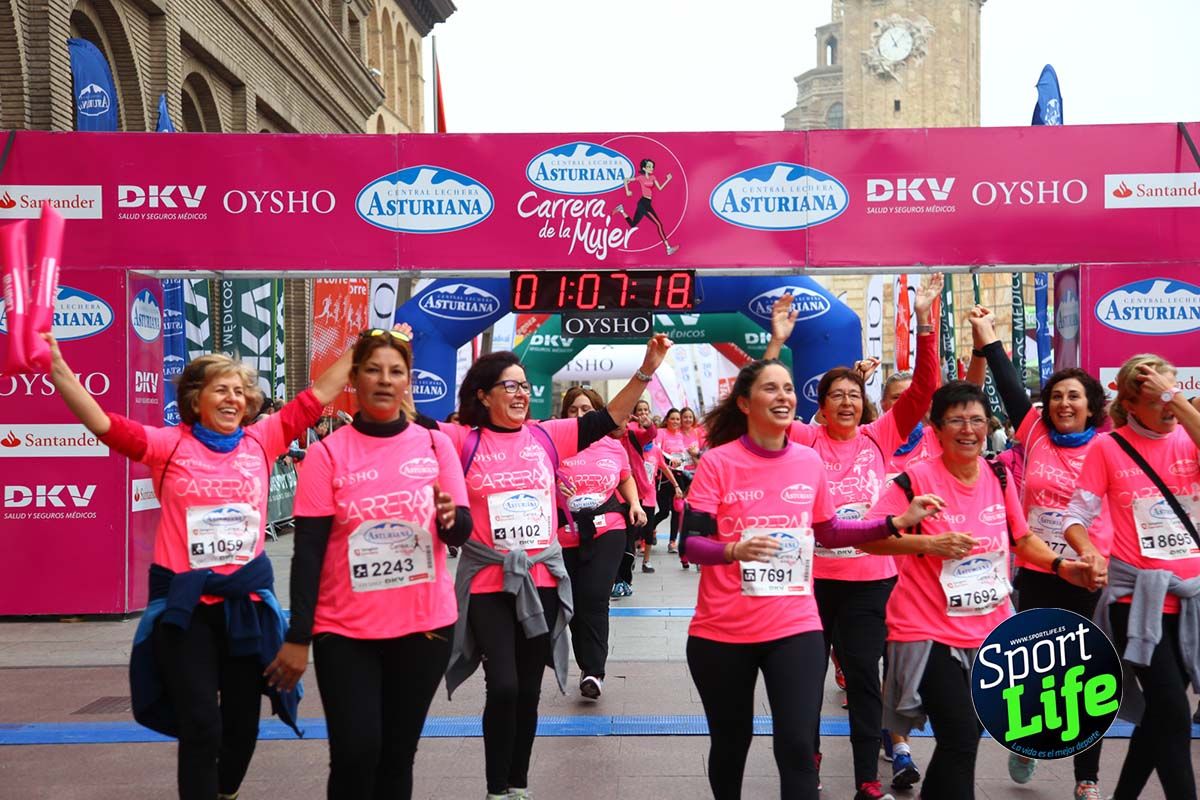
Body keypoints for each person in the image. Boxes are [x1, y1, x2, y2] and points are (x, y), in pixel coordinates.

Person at [41, 331, 351, 800]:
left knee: (242, 729)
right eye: (221, 388)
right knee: (202, 725)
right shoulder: (168, 446)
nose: (234, 398)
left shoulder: (261, 440)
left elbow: (319, 395)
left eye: (240, 390)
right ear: (195, 398)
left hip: (245, 605)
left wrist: (368, 345)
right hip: (186, 611)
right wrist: (57, 366)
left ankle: (225, 792)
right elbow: (102, 423)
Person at [679, 358, 944, 800]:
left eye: (787, 388)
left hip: (794, 624)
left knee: (798, 744)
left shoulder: (807, 461)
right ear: (745, 403)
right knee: (731, 742)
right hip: (722, 629)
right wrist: (732, 550)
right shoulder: (717, 463)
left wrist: (895, 522)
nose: (783, 396)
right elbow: (690, 544)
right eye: (771, 389)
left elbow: (832, 530)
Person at [440, 335, 673, 800]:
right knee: (502, 685)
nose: (522, 393)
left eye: (525, 385)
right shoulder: (460, 440)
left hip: (542, 579)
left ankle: (516, 785)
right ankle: (493, 787)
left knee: (527, 689)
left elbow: (611, 418)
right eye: (510, 386)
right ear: (483, 395)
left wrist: (647, 368)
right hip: (489, 579)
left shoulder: (548, 434)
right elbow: (408, 426)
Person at [866, 380, 1105, 800]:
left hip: (990, 631)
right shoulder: (913, 481)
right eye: (956, 420)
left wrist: (1064, 567)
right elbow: (870, 537)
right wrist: (927, 543)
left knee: (965, 737)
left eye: (977, 419)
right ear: (936, 429)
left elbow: (1022, 538)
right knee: (959, 734)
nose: (968, 429)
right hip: (926, 630)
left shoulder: (997, 474)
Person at [264, 328, 471, 799]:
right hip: (345, 631)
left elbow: (460, 529)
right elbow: (309, 550)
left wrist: (447, 519)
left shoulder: (436, 446)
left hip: (424, 629)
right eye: (373, 370)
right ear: (355, 378)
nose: (384, 380)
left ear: (407, 383)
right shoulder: (326, 453)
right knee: (356, 753)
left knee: (397, 756)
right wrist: (299, 637)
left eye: (395, 371)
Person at [764, 274, 943, 797]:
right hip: (810, 584)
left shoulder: (879, 435)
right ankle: (809, 767)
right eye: (835, 396)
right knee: (802, 684)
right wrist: (777, 342)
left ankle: (868, 775)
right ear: (819, 407)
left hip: (870, 582)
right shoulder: (802, 438)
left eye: (854, 395)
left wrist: (926, 324)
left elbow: (925, 389)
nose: (846, 403)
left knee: (865, 678)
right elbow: (757, 399)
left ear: (864, 405)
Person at [968, 306, 1114, 797]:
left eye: (1074, 396)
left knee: (1088, 672)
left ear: (1092, 406)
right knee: (1034, 670)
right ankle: (1030, 740)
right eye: (1056, 397)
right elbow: (1009, 385)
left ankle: (1087, 777)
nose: (1064, 404)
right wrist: (986, 333)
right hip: (1038, 568)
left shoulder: (1112, 447)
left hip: (1092, 573)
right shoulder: (1033, 433)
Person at [1062, 354, 1200, 800]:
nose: (1166, 404)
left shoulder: (1189, 435)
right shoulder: (1108, 447)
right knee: (1176, 715)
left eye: (1171, 391)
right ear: (1129, 403)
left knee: (1161, 718)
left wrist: (1176, 400)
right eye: (1155, 396)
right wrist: (1087, 551)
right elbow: (1076, 514)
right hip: (1136, 600)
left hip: (1191, 599)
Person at [558, 387, 647, 699]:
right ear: (564, 414)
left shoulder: (613, 445)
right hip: (565, 532)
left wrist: (634, 504)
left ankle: (594, 672)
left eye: (587, 409)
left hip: (608, 527)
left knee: (594, 595)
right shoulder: (554, 443)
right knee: (575, 602)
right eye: (574, 410)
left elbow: (625, 478)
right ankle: (587, 664)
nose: (581, 416)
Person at [612, 399, 660, 598]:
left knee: (630, 539)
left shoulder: (633, 434)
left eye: (622, 419)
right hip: (611, 496)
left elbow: (650, 434)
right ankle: (614, 580)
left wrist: (648, 424)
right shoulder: (603, 439)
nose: (619, 424)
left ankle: (624, 579)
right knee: (615, 540)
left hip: (636, 495)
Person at [612, 158, 679, 255]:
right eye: (649, 166)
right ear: (644, 168)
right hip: (643, 203)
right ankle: (668, 248)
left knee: (633, 224)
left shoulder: (653, 177)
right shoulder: (640, 178)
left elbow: (660, 188)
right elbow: (626, 180)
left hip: (647, 203)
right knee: (659, 224)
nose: (651, 168)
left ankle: (621, 210)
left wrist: (667, 180)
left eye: (652, 166)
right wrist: (627, 191)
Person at [655, 408, 692, 562]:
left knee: (677, 510)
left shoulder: (681, 435)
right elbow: (657, 451)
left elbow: (684, 456)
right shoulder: (661, 432)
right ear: (667, 419)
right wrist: (670, 460)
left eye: (678, 419)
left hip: (678, 476)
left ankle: (672, 542)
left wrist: (682, 460)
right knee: (663, 511)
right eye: (673, 419)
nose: (676, 422)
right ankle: (647, 531)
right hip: (664, 477)